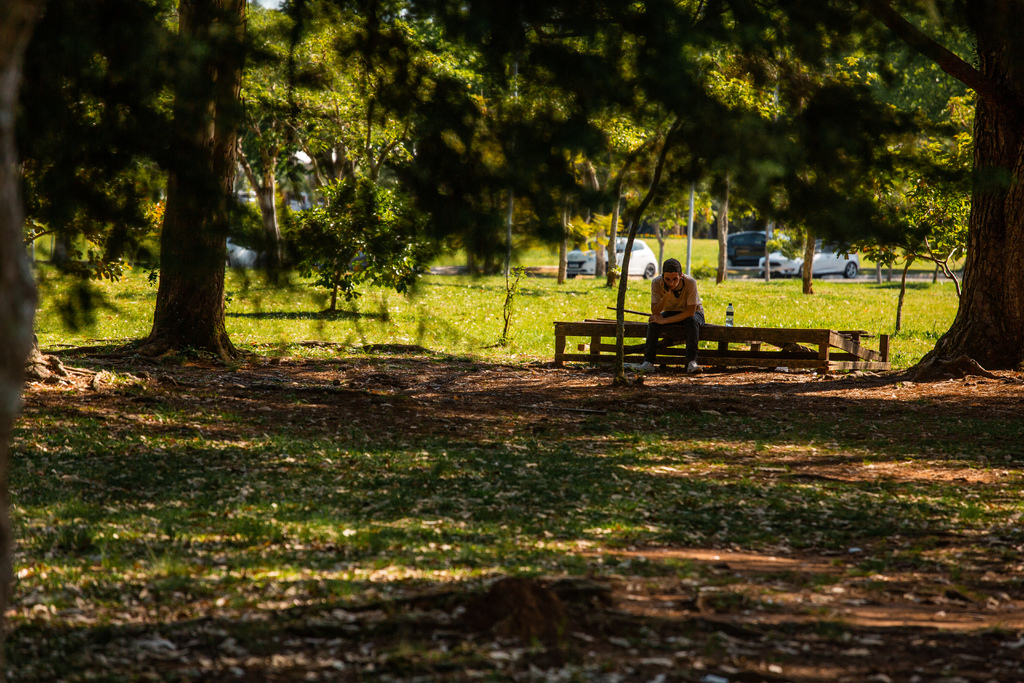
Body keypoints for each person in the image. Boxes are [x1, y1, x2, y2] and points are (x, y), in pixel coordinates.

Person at [641, 258, 704, 373]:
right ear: (662, 276)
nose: (671, 283)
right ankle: (648, 362)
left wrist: (664, 321)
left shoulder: (690, 282)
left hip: (694, 313)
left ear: (681, 275)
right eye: (667, 279)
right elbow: (655, 311)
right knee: (653, 321)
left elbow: (690, 312)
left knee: (692, 321)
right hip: (671, 312)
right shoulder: (656, 283)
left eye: (675, 279)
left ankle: (692, 362)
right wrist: (666, 295)